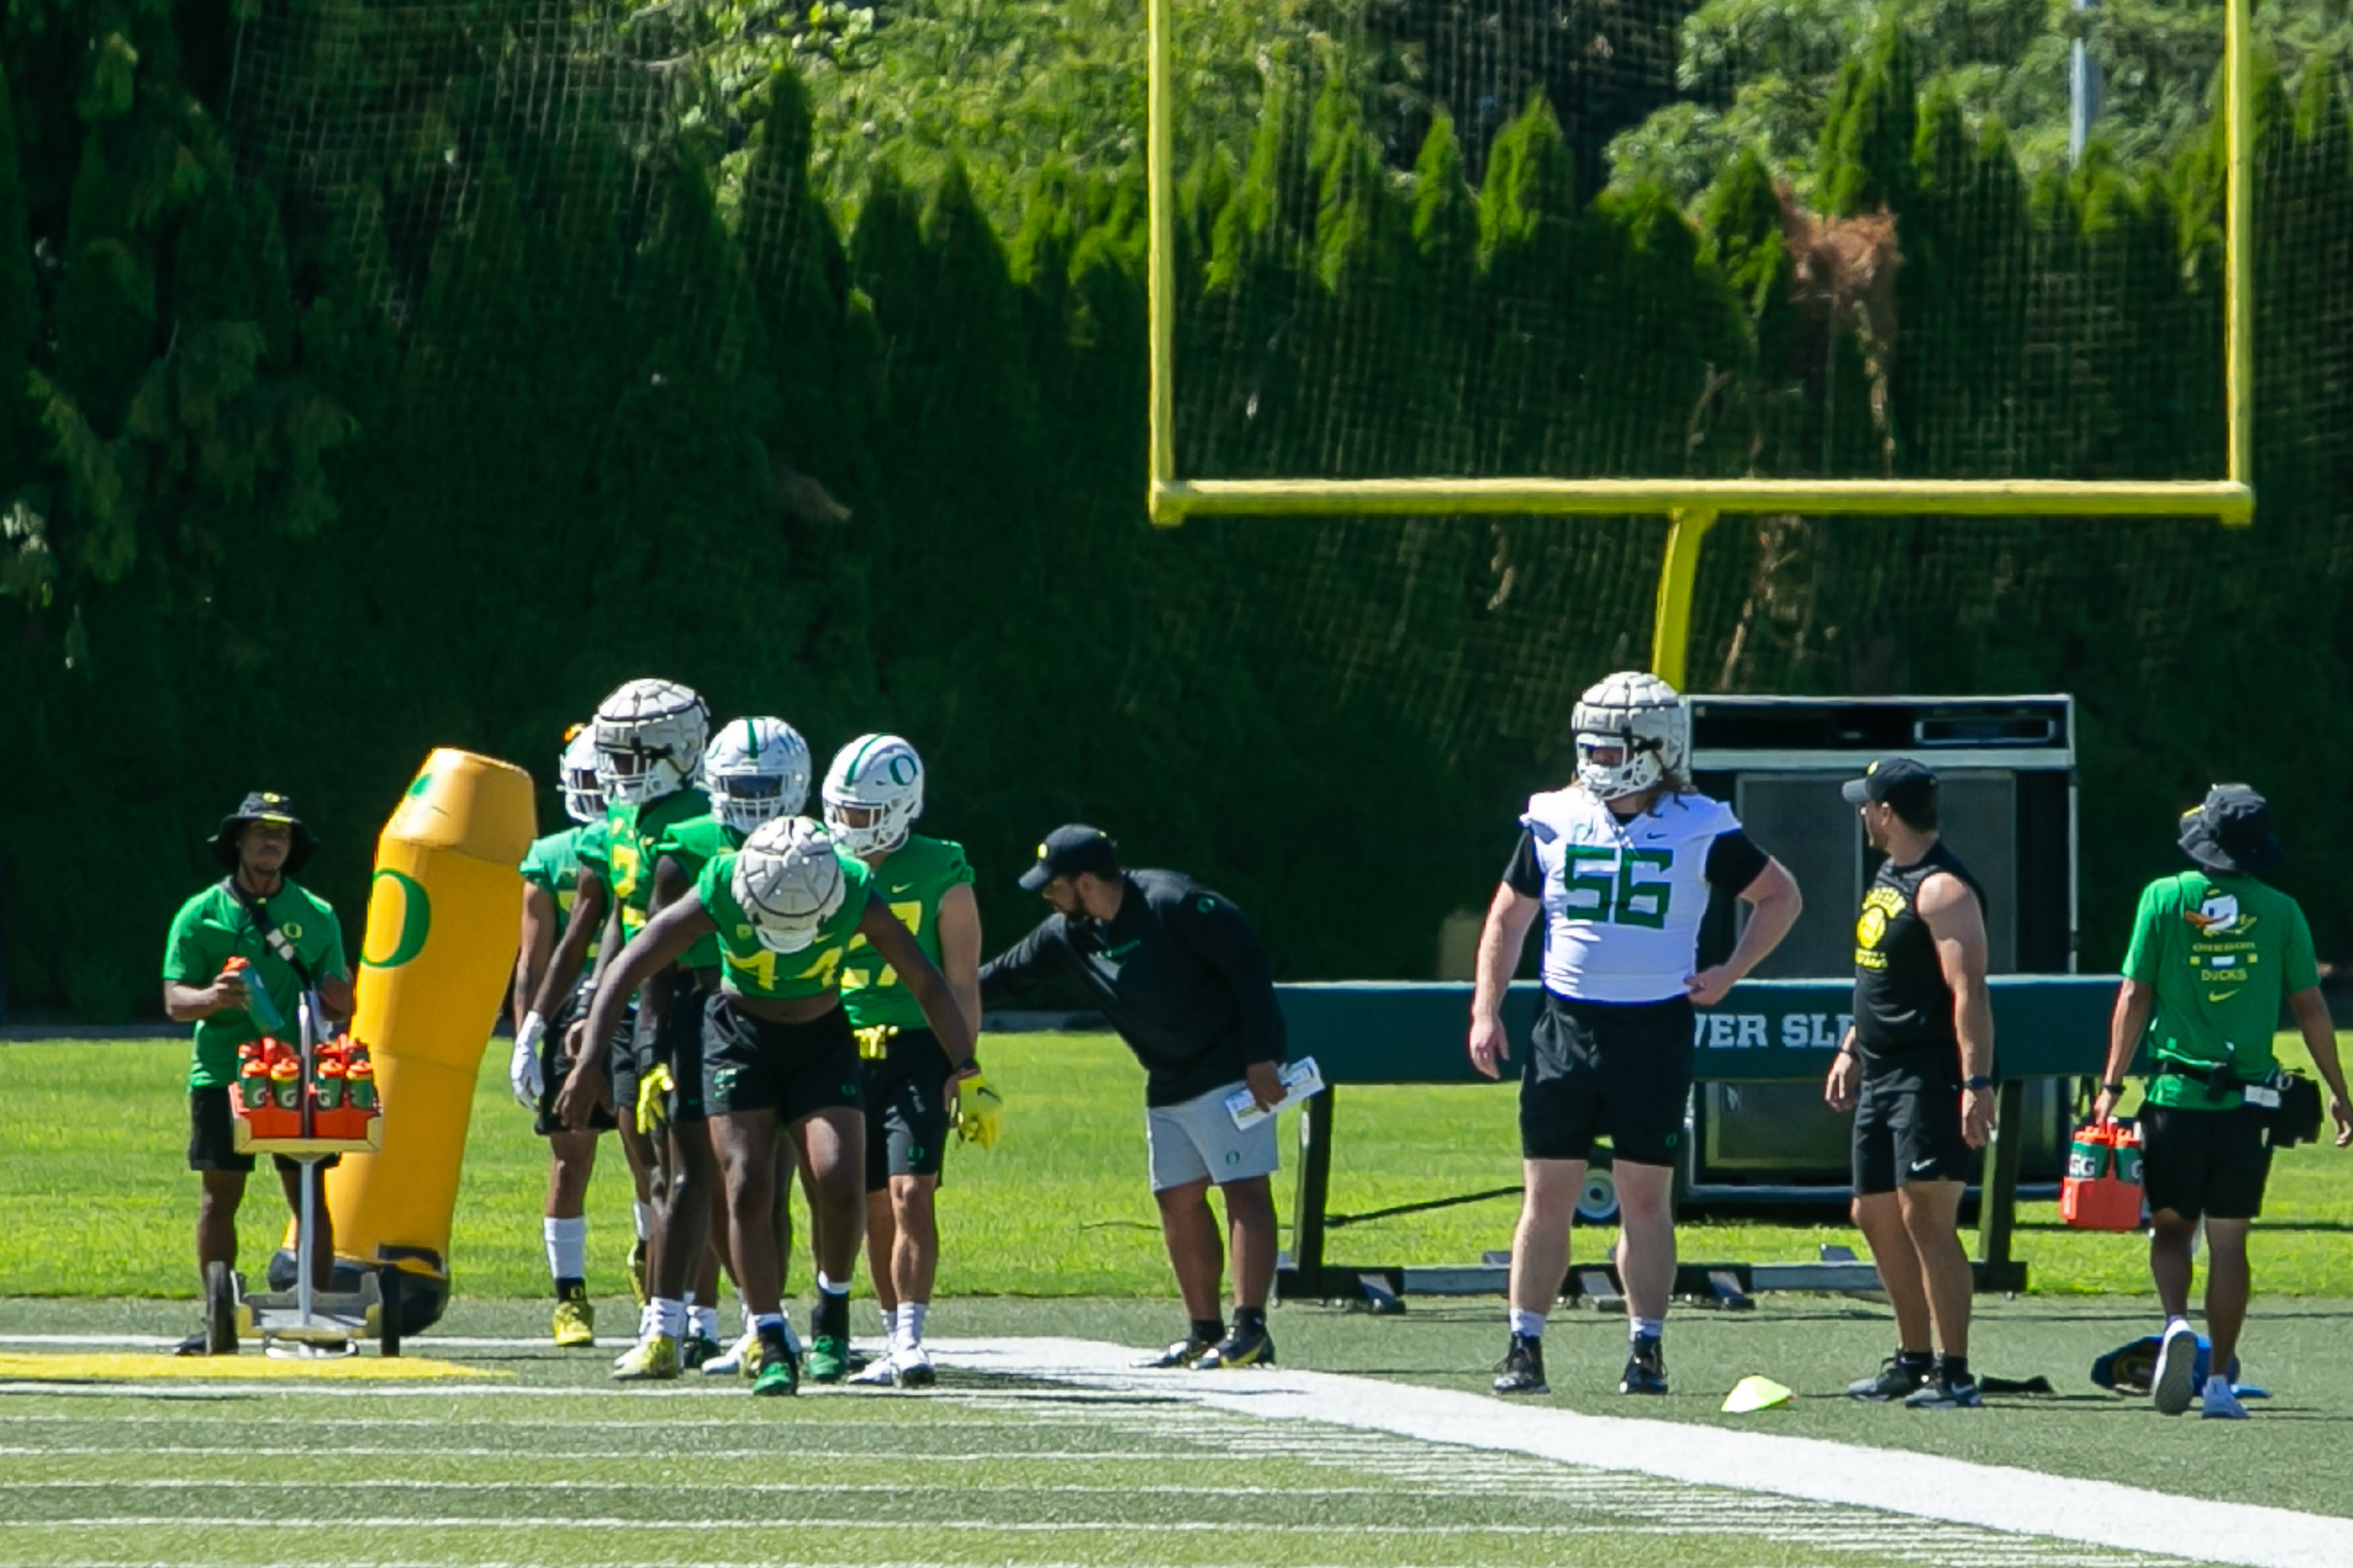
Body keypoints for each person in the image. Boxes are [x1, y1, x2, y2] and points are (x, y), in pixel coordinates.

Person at [1468, 671, 1800, 1399]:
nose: (1597, 759)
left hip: (1652, 1025)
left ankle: (1645, 1348)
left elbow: (1779, 894)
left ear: (1655, 748)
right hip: (1565, 1020)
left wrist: (1731, 970)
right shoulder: (1554, 814)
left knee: (1643, 1196)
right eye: (1589, 744)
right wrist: (1485, 1008)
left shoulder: (1699, 822)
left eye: (1612, 747)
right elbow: (1507, 915)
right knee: (1545, 1194)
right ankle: (1523, 1342)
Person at [565, 815, 974, 1396]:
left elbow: (926, 979)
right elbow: (632, 962)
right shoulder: (721, 884)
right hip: (739, 1036)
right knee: (746, 1182)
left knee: (838, 1176)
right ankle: (770, 1333)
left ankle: (832, 1307)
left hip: (823, 1038)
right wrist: (588, 1063)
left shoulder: (853, 885)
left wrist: (966, 1065)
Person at [980, 826, 1287, 1371]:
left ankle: (1251, 1328)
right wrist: (924, 990)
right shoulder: (1068, 934)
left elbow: (1249, 961)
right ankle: (1204, 1330)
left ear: (1087, 880)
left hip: (1228, 1072)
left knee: (1243, 1189)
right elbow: (1001, 976)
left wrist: (1261, 1056)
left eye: (1054, 886)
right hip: (1167, 1080)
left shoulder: (1174, 903)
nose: (1047, 896)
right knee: (1177, 1197)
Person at [2093, 784, 2353, 1419]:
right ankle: (2216, 1382)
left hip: (2176, 1096)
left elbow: (2134, 995)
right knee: (2231, 1241)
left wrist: (2109, 1084)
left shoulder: (2164, 897)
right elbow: (2311, 1007)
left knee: (2171, 1227)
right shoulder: (2282, 911)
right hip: (2249, 1103)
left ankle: (2177, 1321)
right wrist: (2341, 1094)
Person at [554, 677, 715, 1380]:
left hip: (703, 1005)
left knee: (717, 1174)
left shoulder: (703, 821)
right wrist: (594, 1011)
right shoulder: (623, 826)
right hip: (638, 1008)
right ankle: (669, 1318)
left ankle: (711, 1321)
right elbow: (621, 921)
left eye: (631, 754)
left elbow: (665, 937)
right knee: (656, 1170)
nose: (616, 770)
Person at [1823, 758, 1995, 1411]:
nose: (1861, 815)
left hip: (1931, 1074)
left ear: (1887, 812)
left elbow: (1967, 991)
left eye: (1866, 805)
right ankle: (1910, 1357)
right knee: (1871, 1210)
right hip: (1880, 1070)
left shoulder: (1942, 889)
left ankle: (1953, 1372)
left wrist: (1974, 1081)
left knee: (1925, 1214)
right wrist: (1849, 1047)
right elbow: (1878, 979)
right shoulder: (1887, 874)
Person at [646, 715, 815, 1377]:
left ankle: (758, 1324)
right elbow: (652, 957)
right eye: (739, 783)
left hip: (782, 1013)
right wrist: (650, 1053)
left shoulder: (816, 846)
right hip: (700, 1008)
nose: (750, 797)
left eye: (765, 784)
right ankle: (667, 1324)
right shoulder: (685, 845)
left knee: (767, 1180)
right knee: (690, 1174)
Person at [161, 792, 356, 1354]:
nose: (272, 842)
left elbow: (336, 999)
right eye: (261, 832)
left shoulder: (316, 915)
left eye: (283, 834)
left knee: (309, 1191)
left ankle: (314, 1316)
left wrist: (340, 997)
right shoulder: (201, 914)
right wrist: (213, 996)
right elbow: (176, 1000)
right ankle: (218, 1317)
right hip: (222, 1072)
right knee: (220, 1194)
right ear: (239, 842)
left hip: (296, 1072)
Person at [822, 734, 986, 1389]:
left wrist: (964, 1064)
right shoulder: (819, 861)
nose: (847, 825)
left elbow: (961, 979)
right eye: (842, 810)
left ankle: (913, 1338)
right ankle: (890, 1336)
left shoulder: (942, 866)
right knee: (869, 1204)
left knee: (911, 1190)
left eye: (862, 813)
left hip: (918, 1044)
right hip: (839, 1041)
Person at [508, 726, 638, 1349]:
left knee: (651, 1153)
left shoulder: (638, 839)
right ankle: (571, 1295)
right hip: (566, 1017)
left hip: (636, 1003)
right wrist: (525, 1033)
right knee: (571, 1156)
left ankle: (653, 1262)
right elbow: (532, 960)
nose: (591, 795)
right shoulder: (552, 853)